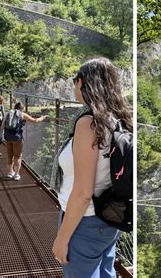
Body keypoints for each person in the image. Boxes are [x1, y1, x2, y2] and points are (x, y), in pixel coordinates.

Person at [52, 58, 132, 278]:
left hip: (84, 221)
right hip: (109, 219)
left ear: (83, 82)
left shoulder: (89, 123)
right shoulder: (120, 120)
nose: (74, 86)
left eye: (75, 81)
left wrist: (62, 238)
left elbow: (83, 192)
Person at [4, 102, 48, 181]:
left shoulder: (9, 113)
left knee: (9, 155)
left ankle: (10, 173)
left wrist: (2, 136)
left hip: (7, 137)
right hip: (17, 138)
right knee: (17, 156)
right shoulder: (22, 114)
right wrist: (43, 117)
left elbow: (3, 125)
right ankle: (16, 174)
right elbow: (35, 121)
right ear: (22, 108)